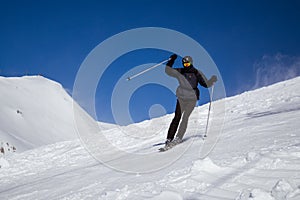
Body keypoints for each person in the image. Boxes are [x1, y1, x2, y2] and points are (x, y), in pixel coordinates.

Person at [164, 54, 217, 147]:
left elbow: (205, 84)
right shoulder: (180, 71)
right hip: (181, 98)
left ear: (191, 63)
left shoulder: (197, 73)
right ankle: (169, 139)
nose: (186, 65)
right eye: (184, 64)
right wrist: (171, 61)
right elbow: (168, 71)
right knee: (177, 117)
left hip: (192, 99)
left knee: (185, 117)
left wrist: (211, 80)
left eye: (187, 64)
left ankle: (178, 137)